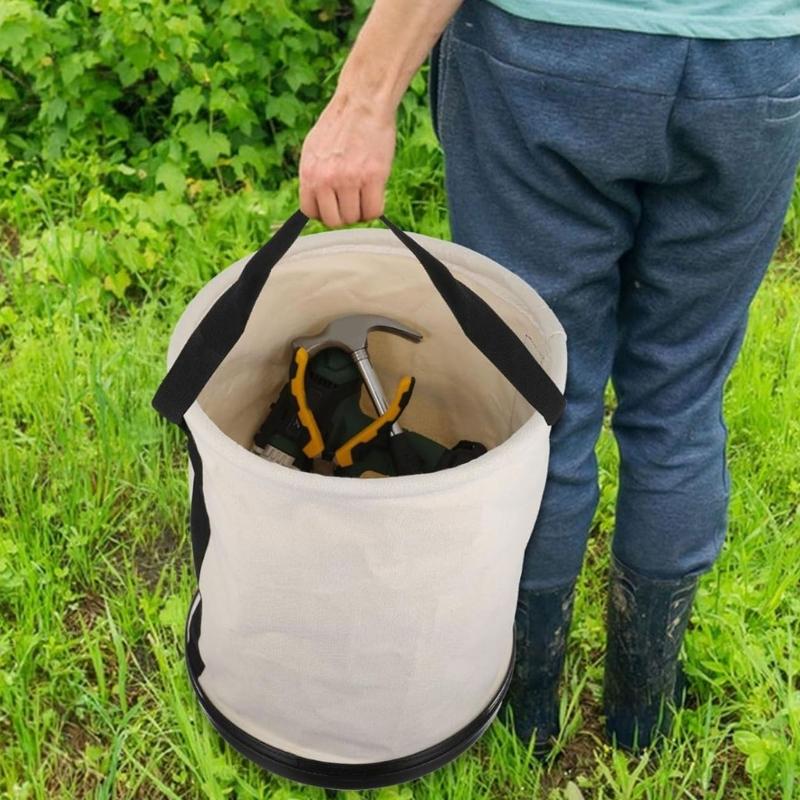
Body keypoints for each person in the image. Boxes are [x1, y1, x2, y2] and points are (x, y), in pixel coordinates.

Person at [298, 0, 800, 754]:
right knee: (680, 405)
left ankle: (523, 715)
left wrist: (363, 100)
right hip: (754, 66)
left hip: (552, 52)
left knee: (540, 400)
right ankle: (643, 719)